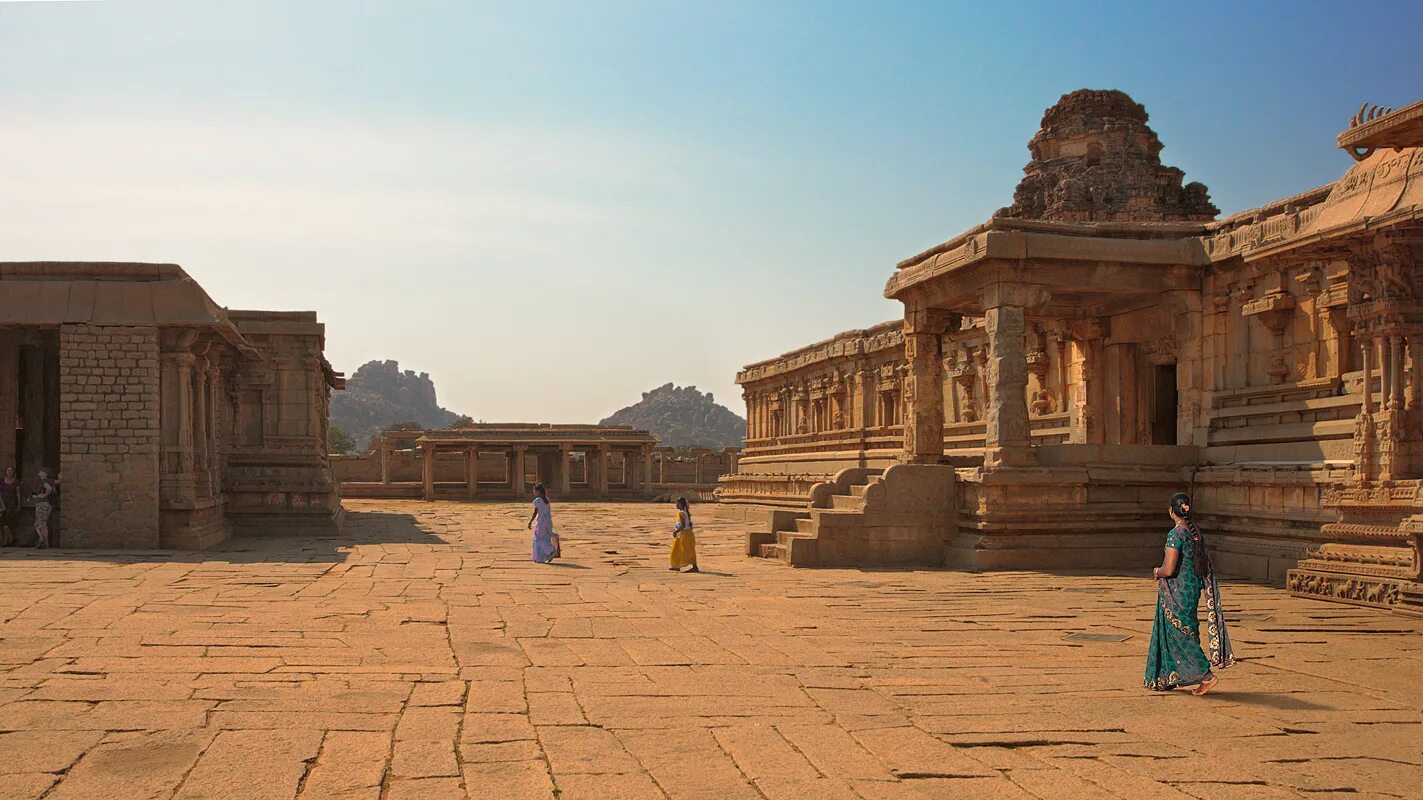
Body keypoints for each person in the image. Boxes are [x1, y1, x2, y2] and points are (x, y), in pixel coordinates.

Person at [1144, 492, 1234, 695]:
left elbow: (1169, 569)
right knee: (1185, 632)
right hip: (1191, 591)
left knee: (1180, 635)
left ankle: (1206, 676)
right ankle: (1169, 676)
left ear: (1171, 511)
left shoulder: (1175, 534)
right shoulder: (1195, 533)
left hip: (1177, 591)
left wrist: (1157, 571)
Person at [527, 483, 559, 563]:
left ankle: (551, 550)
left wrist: (531, 521)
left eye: (535, 491)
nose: (534, 492)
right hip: (547, 521)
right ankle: (545, 555)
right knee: (545, 538)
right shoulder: (547, 499)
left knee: (538, 538)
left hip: (541, 522)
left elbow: (535, 512)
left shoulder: (537, 501)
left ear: (538, 492)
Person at [669, 497, 698, 573]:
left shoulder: (681, 513)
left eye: (677, 503)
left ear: (681, 505)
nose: (676, 505)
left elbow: (683, 525)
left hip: (684, 533)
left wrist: (675, 532)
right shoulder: (685, 512)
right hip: (686, 533)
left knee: (688, 551)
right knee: (677, 549)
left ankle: (694, 566)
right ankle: (676, 565)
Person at [30, 467, 56, 550]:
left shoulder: (43, 481)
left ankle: (41, 538)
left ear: (45, 473)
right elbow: (56, 483)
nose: (39, 472)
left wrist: (40, 496)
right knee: (44, 524)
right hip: (47, 504)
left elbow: (49, 489)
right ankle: (46, 543)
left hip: (41, 504)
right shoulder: (50, 480)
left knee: (37, 523)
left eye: (41, 471)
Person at [0, 467, 19, 546]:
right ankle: (9, 537)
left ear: (13, 472)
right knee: (2, 520)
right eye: (8, 470)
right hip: (2, 502)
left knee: (9, 520)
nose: (9, 472)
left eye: (11, 470)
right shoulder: (1, 481)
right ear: (5, 472)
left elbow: (18, 493)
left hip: (11, 503)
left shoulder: (16, 481)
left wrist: (19, 504)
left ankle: (7, 538)